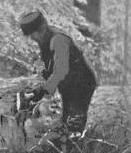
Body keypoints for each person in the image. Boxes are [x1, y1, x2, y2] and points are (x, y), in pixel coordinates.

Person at [18, 10, 97, 138]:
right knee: (67, 119)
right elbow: (52, 66)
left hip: (81, 82)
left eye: (33, 36)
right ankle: (67, 146)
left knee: (75, 120)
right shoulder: (45, 39)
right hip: (69, 83)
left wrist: (44, 90)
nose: (33, 39)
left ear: (41, 28)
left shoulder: (58, 40)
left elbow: (61, 70)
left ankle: (77, 151)